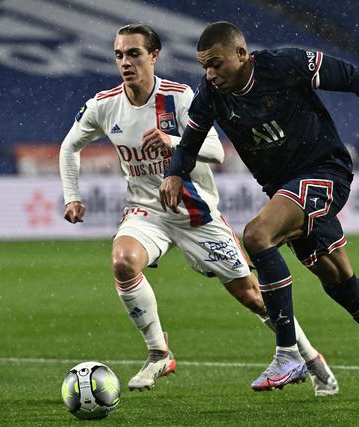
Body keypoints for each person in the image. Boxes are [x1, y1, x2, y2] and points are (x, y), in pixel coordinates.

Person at [160, 21, 359, 401]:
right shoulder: (211, 93)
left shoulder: (284, 65)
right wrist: (174, 174)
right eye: (205, 65)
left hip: (324, 172)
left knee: (257, 235)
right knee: (341, 285)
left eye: (217, 64)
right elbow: (189, 144)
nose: (210, 74)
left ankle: (287, 354)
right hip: (283, 190)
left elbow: (352, 75)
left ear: (242, 54)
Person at [59, 24, 338, 397]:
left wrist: (174, 141)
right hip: (147, 211)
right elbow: (69, 147)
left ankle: (313, 360)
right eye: (119, 55)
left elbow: (218, 152)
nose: (125, 62)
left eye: (134, 54)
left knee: (254, 297)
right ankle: (159, 352)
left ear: (154, 56)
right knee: (123, 261)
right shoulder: (103, 105)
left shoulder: (180, 97)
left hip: (197, 215)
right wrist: (71, 197)